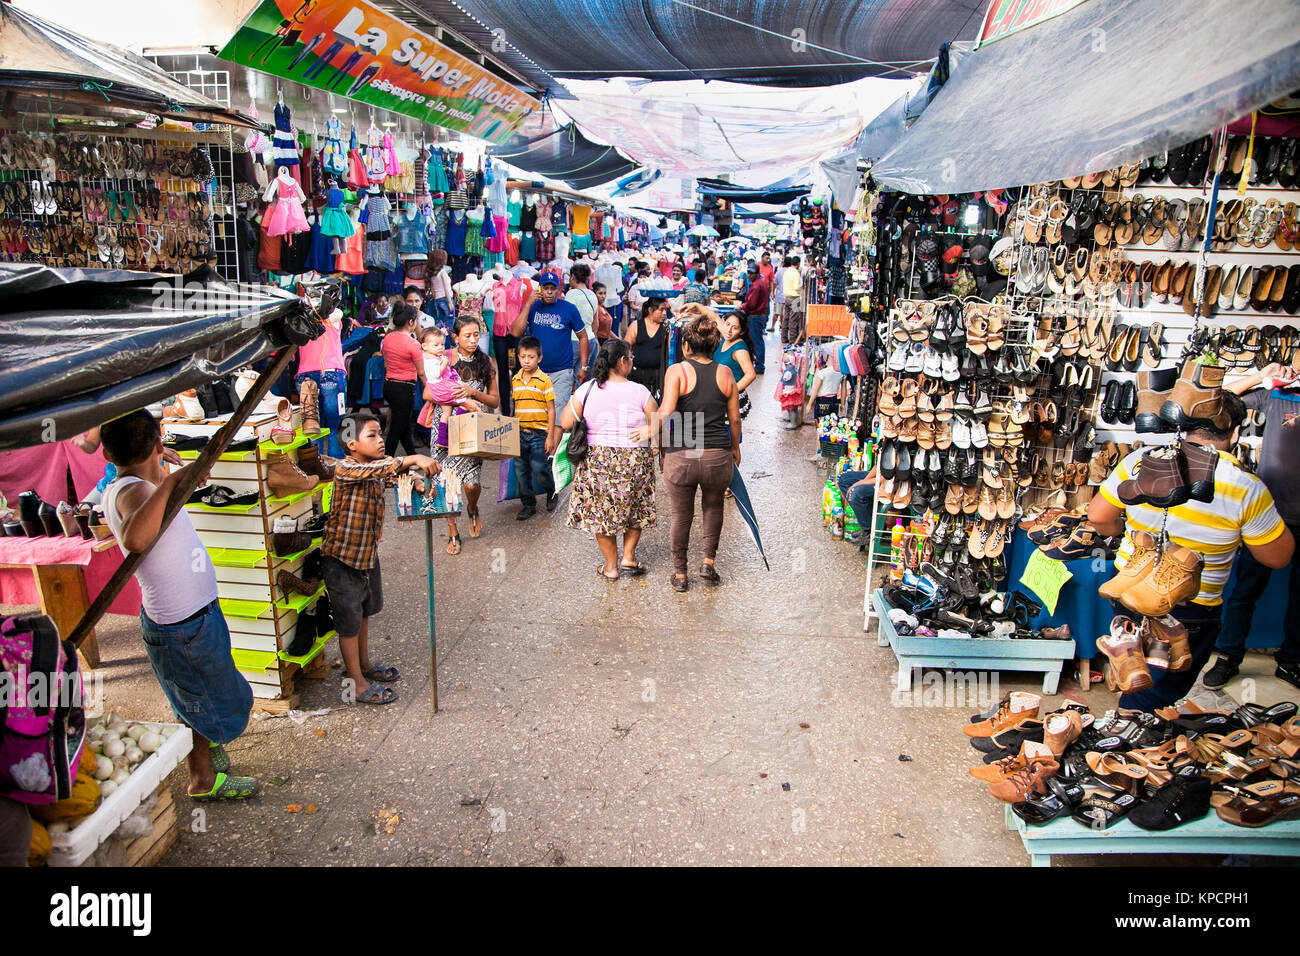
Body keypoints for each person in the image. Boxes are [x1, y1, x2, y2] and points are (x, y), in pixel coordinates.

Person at [1089, 391, 1294, 711]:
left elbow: (1099, 517)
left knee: (1138, 670)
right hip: (1189, 604)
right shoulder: (1245, 486)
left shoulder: (1140, 460)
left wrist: (1123, 531)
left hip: (1129, 584)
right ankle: (1125, 746)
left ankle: (1129, 730)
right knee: (1155, 693)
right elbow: (1276, 557)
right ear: (1236, 432)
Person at [100, 409, 257, 799]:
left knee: (196, 695)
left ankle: (206, 750)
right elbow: (137, 538)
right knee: (200, 700)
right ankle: (203, 781)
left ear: (106, 453)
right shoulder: (135, 492)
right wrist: (169, 480)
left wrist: (166, 474)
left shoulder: (135, 483)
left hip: (188, 619)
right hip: (182, 625)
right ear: (157, 441)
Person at [323, 411, 439, 705]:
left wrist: (415, 481)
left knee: (363, 612)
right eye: (371, 436)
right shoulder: (346, 469)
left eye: (379, 435)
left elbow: (390, 476)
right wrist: (413, 458)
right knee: (349, 622)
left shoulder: (374, 467)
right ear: (351, 444)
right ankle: (355, 683)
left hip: (366, 555)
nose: (380, 441)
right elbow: (383, 470)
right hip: (342, 560)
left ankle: (362, 665)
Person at [1205, 363, 1300, 689]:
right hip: (1268, 514)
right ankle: (1229, 657)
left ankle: (1290, 662)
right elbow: (1223, 398)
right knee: (1245, 592)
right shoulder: (1281, 395)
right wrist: (1262, 376)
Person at [645, 309, 741, 592]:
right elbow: (734, 419)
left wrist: (659, 446)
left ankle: (680, 574)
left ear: (686, 345)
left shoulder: (677, 371)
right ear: (714, 346)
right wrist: (735, 447)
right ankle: (708, 562)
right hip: (716, 454)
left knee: (680, 515)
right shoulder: (725, 373)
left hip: (683, 454)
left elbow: (666, 412)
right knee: (713, 507)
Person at [562, 338, 658, 579]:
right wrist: (649, 430)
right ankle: (628, 556)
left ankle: (611, 566)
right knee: (635, 509)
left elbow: (564, 422)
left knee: (601, 514)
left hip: (598, 459)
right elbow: (660, 418)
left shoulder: (588, 389)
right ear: (623, 361)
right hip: (635, 457)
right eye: (631, 359)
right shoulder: (639, 391)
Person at [433, 316, 501, 552]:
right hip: (444, 425)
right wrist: (457, 399)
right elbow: (427, 393)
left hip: (472, 428)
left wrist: (473, 393)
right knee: (446, 482)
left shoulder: (486, 362)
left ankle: (472, 507)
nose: (473, 340)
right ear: (455, 337)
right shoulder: (444, 358)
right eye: (467, 336)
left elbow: (494, 400)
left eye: (476, 335)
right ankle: (453, 531)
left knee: (471, 486)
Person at [511, 270, 588, 419]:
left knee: (558, 416)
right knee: (536, 414)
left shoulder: (569, 308)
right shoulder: (533, 307)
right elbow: (515, 332)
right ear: (540, 289)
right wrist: (528, 304)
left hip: (562, 371)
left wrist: (584, 366)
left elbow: (583, 337)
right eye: (546, 288)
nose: (549, 292)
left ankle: (554, 443)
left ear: (559, 291)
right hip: (535, 371)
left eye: (553, 289)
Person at [511, 336, 558, 520]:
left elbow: (551, 409)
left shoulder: (544, 380)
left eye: (531, 357)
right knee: (521, 470)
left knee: (539, 467)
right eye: (523, 357)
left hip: (539, 433)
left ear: (539, 358)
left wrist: (550, 436)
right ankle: (528, 504)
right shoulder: (515, 380)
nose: (526, 361)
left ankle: (551, 490)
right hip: (519, 433)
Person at [296, 304, 347, 456]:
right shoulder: (333, 316)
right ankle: (337, 468)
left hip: (304, 375)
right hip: (330, 373)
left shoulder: (300, 320)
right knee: (334, 429)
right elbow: (338, 312)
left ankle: (314, 466)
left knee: (311, 428)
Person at [379, 303, 427, 456]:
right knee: (397, 427)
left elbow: (386, 362)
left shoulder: (388, 338)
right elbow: (421, 373)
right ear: (411, 322)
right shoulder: (413, 345)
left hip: (389, 385)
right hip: (404, 388)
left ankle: (413, 456)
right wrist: (431, 388)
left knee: (404, 424)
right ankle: (386, 459)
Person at [623, 297, 668, 402]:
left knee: (656, 405)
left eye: (665, 309)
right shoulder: (636, 326)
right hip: (638, 374)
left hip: (658, 375)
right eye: (661, 309)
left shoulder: (666, 328)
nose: (665, 313)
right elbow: (626, 348)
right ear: (650, 310)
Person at [565, 262, 601, 377]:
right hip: (590, 339)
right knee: (585, 376)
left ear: (573, 277)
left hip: (574, 340)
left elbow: (566, 320)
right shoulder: (592, 295)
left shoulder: (571, 294)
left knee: (571, 378)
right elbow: (596, 324)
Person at [735, 262, 770, 374]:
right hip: (760, 315)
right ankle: (757, 363)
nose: (750, 275)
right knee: (757, 340)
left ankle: (759, 365)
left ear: (757, 273)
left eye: (752, 273)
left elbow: (752, 304)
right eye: (748, 273)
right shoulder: (761, 282)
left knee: (757, 341)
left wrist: (742, 306)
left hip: (755, 316)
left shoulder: (756, 285)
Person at [781, 255, 805, 346]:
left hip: (787, 297)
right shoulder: (795, 273)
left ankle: (784, 338)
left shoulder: (787, 271)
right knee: (793, 320)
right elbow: (797, 287)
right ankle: (792, 341)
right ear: (798, 263)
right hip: (795, 298)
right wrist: (802, 291)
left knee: (786, 319)